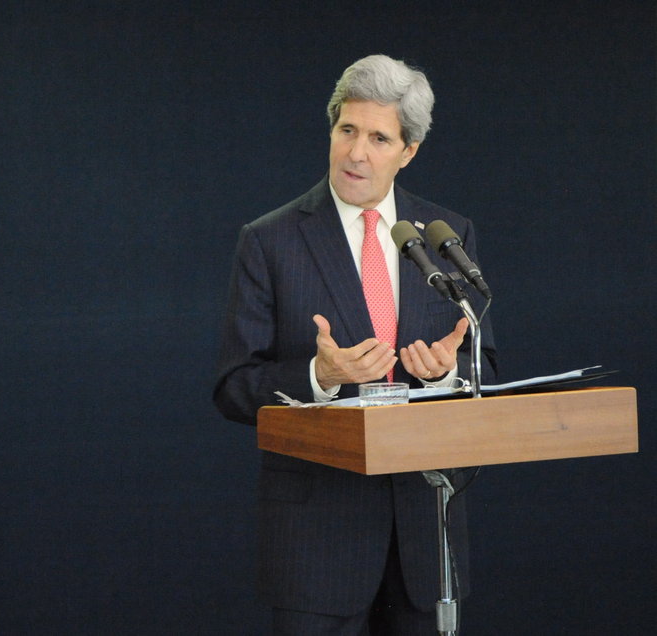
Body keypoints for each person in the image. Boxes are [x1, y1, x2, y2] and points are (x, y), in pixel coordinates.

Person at [213, 55, 498, 635]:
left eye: (378, 138)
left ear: (408, 150)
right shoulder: (270, 240)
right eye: (347, 130)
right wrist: (319, 377)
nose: (356, 153)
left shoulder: (446, 236)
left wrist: (447, 374)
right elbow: (234, 387)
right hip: (318, 541)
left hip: (424, 531)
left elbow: (485, 369)